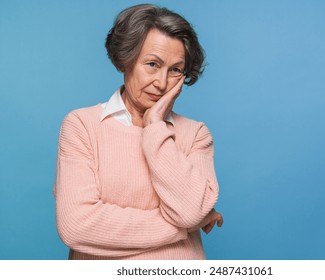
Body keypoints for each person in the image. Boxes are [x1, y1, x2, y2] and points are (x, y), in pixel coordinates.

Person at [54, 4, 223, 260]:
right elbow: (77, 227)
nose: (162, 83)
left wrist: (155, 125)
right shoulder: (82, 126)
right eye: (152, 64)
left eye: (175, 70)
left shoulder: (195, 134)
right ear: (126, 60)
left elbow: (190, 212)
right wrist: (183, 227)